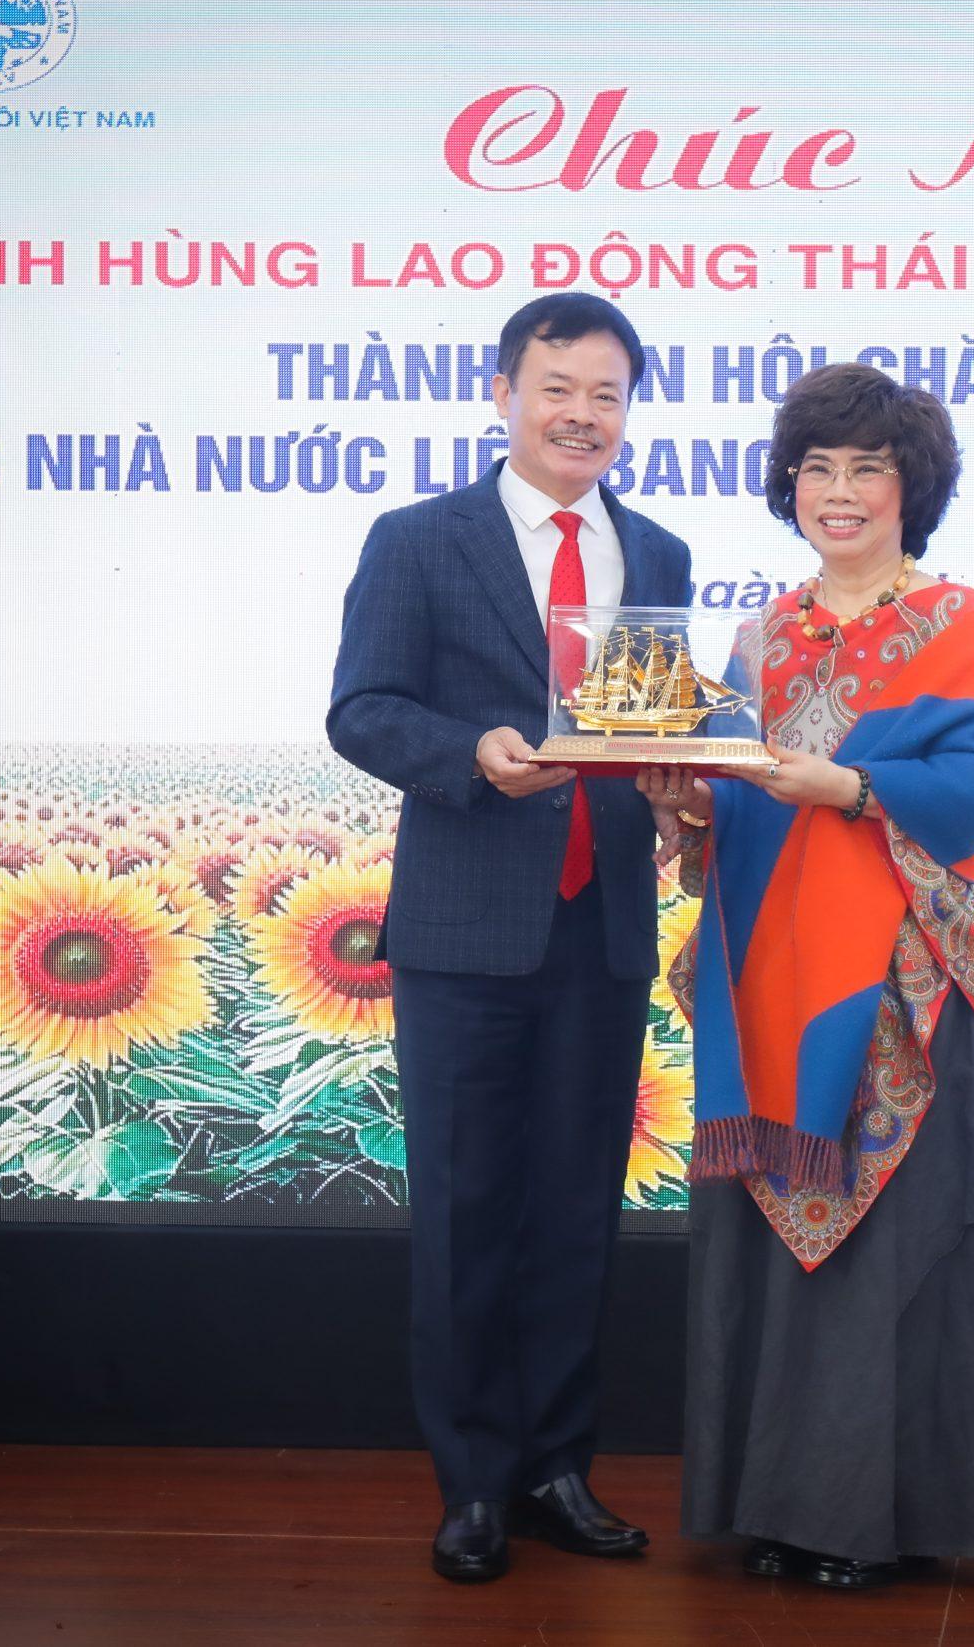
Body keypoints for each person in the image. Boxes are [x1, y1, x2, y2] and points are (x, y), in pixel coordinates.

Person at [639, 362, 974, 1590]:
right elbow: (732, 800)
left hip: (893, 983)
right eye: (816, 467)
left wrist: (854, 787)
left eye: (868, 467)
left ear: (912, 487)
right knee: (769, 1247)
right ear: (788, 487)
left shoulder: (956, 621)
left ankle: (870, 1519)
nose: (840, 491)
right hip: (767, 978)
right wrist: (680, 801)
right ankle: (776, 1503)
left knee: (884, 1253)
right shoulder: (759, 634)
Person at [327, 292, 691, 1583]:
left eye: (606, 395)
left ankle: (556, 1469)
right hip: (466, 930)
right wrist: (469, 751)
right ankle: (475, 1483)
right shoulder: (418, 540)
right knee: (468, 1211)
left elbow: (647, 727)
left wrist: (680, 780)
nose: (581, 415)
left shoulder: (658, 551)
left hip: (602, 927)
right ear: (502, 394)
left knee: (577, 1212)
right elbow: (361, 709)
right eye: (558, 389)